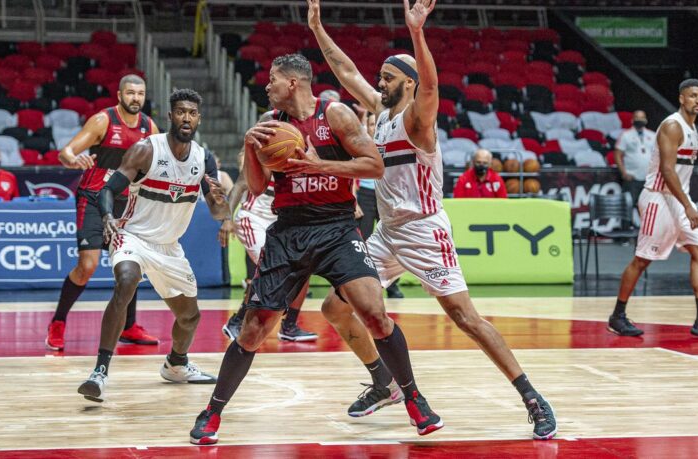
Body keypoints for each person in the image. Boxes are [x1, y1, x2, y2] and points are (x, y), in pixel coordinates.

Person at [308, 0, 556, 440]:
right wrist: (317, 28)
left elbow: (432, 83)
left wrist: (417, 32)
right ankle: (384, 382)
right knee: (333, 307)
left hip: (425, 230)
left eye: (388, 77)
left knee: (465, 318)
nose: (379, 82)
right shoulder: (381, 113)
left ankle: (531, 396)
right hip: (387, 233)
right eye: (380, 76)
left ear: (409, 82)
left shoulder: (419, 119)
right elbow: (346, 71)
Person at [189, 53, 441, 445]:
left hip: (336, 227)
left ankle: (413, 398)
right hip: (289, 229)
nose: (266, 86)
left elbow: (374, 166)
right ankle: (213, 411)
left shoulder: (335, 115)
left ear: (292, 83)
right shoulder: (270, 125)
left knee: (374, 313)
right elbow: (257, 187)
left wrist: (318, 165)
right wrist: (251, 147)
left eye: (273, 79)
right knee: (254, 330)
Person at [77, 88, 226, 402]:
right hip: (133, 235)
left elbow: (216, 211)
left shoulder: (203, 159)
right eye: (181, 112)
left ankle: (176, 364)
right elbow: (107, 190)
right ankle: (99, 372)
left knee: (190, 317)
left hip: (169, 247)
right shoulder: (146, 150)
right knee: (126, 281)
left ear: (199, 119)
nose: (186, 118)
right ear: (170, 116)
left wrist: (222, 203)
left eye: (192, 113)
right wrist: (107, 216)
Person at [45, 74, 159, 351]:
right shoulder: (103, 121)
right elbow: (66, 152)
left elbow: (158, 165)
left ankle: (129, 326)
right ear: (119, 95)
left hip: (126, 204)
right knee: (87, 266)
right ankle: (58, 321)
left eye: (140, 94)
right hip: (94, 197)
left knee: (131, 265)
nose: (135, 98)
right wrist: (74, 159)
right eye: (130, 93)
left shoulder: (149, 127)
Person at [608, 79, 698, 339]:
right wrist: (688, 205)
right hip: (658, 198)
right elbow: (667, 170)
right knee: (642, 259)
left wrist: (685, 203)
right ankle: (617, 315)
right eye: (692, 96)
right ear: (681, 98)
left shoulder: (693, 129)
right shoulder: (673, 126)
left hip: (678, 198)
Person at [217, 152, 318, 342]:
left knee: (304, 268)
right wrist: (227, 218)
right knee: (271, 268)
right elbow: (239, 185)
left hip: (281, 223)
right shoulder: (265, 154)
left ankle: (289, 326)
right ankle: (238, 321)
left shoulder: (303, 154)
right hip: (253, 218)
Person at [351, 104, 405, 299]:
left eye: (376, 124)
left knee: (392, 240)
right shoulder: (361, 144)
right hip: (365, 194)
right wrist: (354, 200)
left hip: (388, 196)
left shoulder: (392, 141)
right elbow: (350, 172)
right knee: (363, 241)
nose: (374, 127)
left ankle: (392, 285)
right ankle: (363, 284)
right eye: (371, 124)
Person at [614, 110, 654, 206]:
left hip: (648, 179)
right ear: (632, 120)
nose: (640, 120)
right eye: (637, 117)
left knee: (647, 207)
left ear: (646, 120)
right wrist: (624, 173)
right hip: (632, 178)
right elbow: (617, 155)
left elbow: (658, 155)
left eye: (642, 118)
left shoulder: (653, 135)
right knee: (628, 206)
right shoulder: (626, 135)